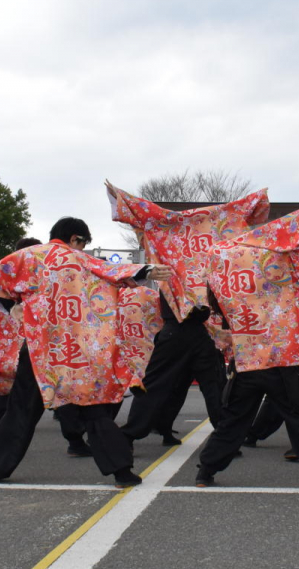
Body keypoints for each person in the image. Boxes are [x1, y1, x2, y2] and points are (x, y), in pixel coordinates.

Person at [0, 217, 172, 487]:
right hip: (76, 349)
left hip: (38, 348)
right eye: (83, 243)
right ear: (76, 238)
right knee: (93, 407)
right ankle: (121, 472)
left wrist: (12, 307)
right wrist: (146, 270)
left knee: (21, 409)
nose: (82, 248)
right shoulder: (80, 260)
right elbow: (111, 271)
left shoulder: (27, 256)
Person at [194, 204, 299, 491]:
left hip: (247, 357)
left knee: (234, 419)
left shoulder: (221, 264)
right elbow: (292, 241)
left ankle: (206, 471)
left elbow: (211, 305)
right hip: (280, 357)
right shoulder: (275, 258)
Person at [108, 183, 267, 447]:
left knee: (198, 384)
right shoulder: (173, 263)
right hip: (181, 329)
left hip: (191, 331)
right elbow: (147, 217)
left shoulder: (185, 263)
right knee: (185, 384)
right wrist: (121, 197)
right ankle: (131, 433)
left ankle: (220, 437)